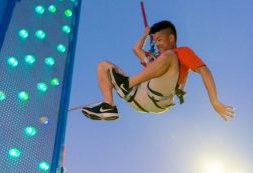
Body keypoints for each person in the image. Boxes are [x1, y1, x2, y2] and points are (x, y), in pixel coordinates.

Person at [81, 20, 234, 121]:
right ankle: (109, 106)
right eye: (156, 41)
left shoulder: (181, 52)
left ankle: (127, 83)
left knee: (169, 56)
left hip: (160, 98)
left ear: (171, 38)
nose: (157, 44)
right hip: (138, 96)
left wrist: (214, 101)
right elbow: (136, 49)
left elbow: (205, 72)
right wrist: (146, 34)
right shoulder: (156, 58)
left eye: (160, 40)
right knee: (102, 65)